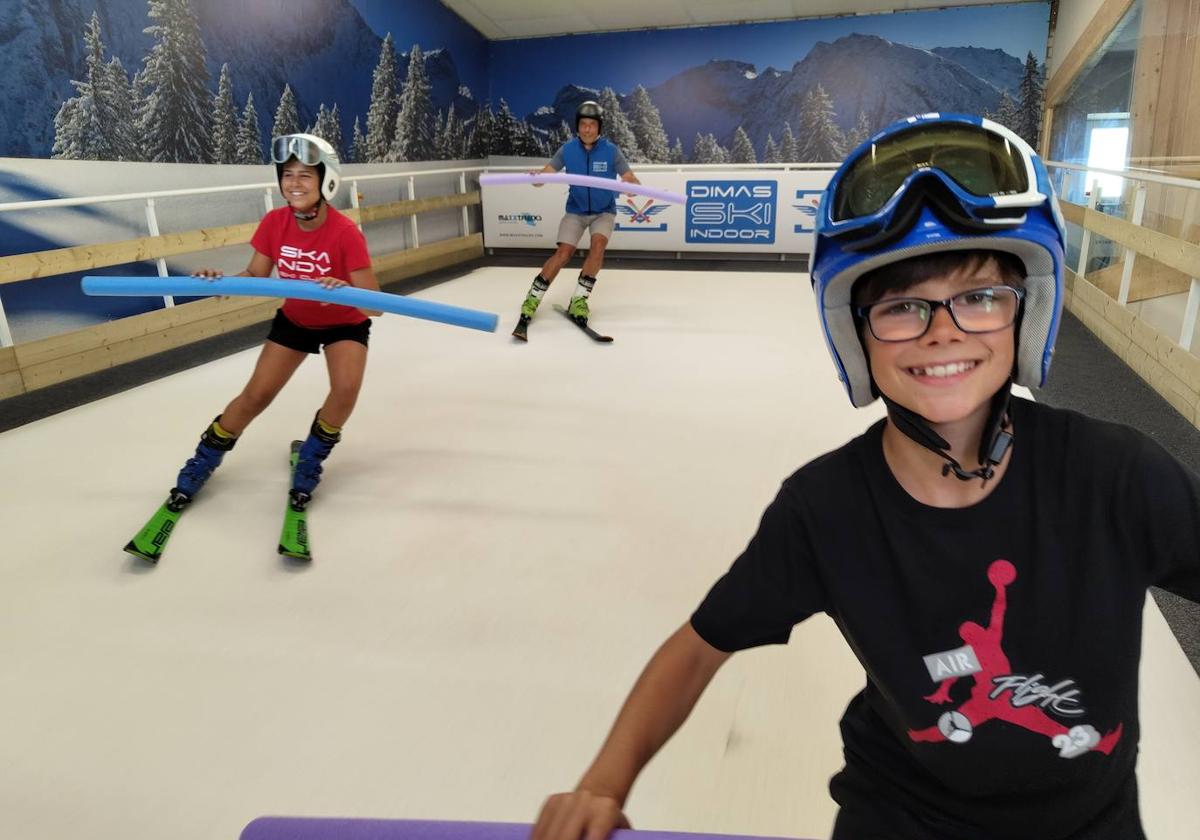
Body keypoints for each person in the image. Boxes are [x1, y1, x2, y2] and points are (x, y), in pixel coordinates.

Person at [530, 114, 1200, 839]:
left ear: (1025, 314)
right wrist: (603, 783)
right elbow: (699, 645)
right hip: (900, 816)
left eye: (979, 297)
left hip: (1091, 826)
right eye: (902, 307)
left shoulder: (1116, 476)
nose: (944, 331)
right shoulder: (827, 510)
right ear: (855, 333)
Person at [169, 133, 381, 528]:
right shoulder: (274, 223)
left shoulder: (345, 233)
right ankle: (202, 461)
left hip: (344, 323)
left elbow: (375, 306)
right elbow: (255, 275)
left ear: (325, 181)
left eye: (304, 175)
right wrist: (221, 282)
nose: (294, 183)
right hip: (296, 320)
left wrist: (346, 292)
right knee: (257, 394)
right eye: (287, 175)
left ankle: (310, 459)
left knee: (346, 390)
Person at [512, 100, 640, 339]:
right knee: (563, 253)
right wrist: (537, 178)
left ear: (599, 127)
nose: (587, 129)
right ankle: (531, 300)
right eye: (583, 124)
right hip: (576, 211)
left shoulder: (611, 151)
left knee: (598, 246)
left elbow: (630, 178)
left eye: (592, 124)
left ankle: (579, 300)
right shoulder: (568, 150)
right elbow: (545, 176)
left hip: (604, 211)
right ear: (577, 127)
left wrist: (632, 185)